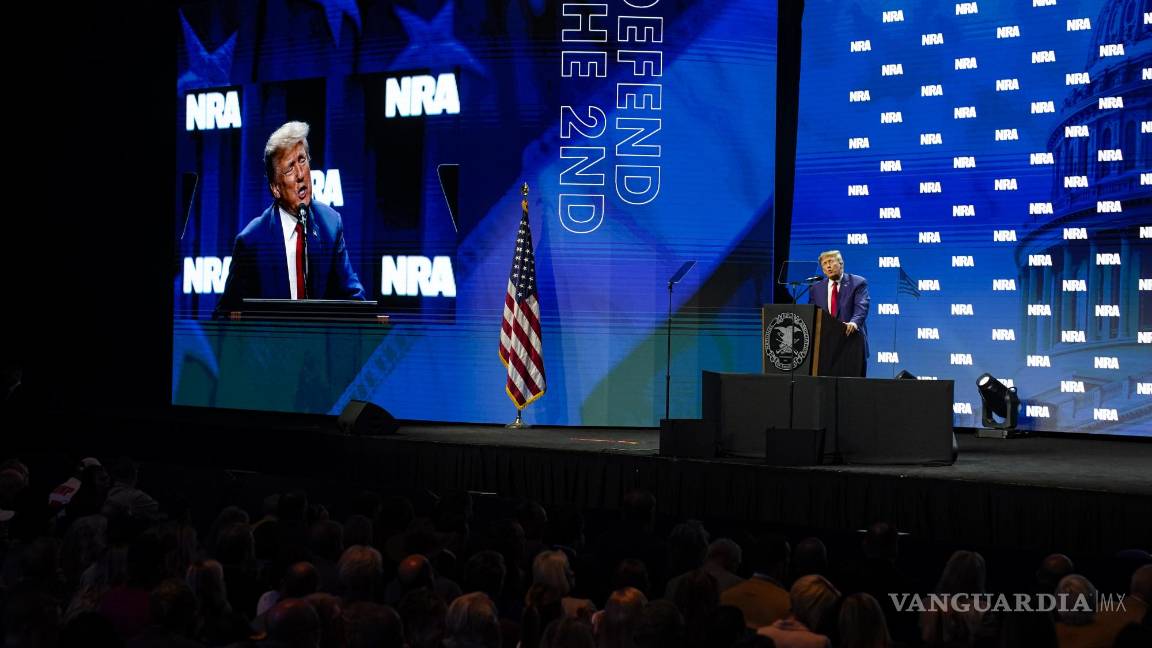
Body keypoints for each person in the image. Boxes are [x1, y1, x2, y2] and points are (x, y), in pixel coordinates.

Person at [215, 121, 364, 316]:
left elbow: (354, 298)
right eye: (290, 168)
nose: (301, 174)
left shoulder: (330, 225)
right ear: (275, 188)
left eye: (302, 160)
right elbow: (225, 316)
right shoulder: (252, 241)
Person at [807, 249, 870, 375]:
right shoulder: (816, 288)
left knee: (852, 387)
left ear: (841, 263)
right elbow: (812, 313)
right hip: (826, 346)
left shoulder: (858, 282)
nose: (828, 266)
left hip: (851, 341)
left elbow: (861, 306)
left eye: (830, 262)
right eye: (824, 264)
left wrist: (854, 323)